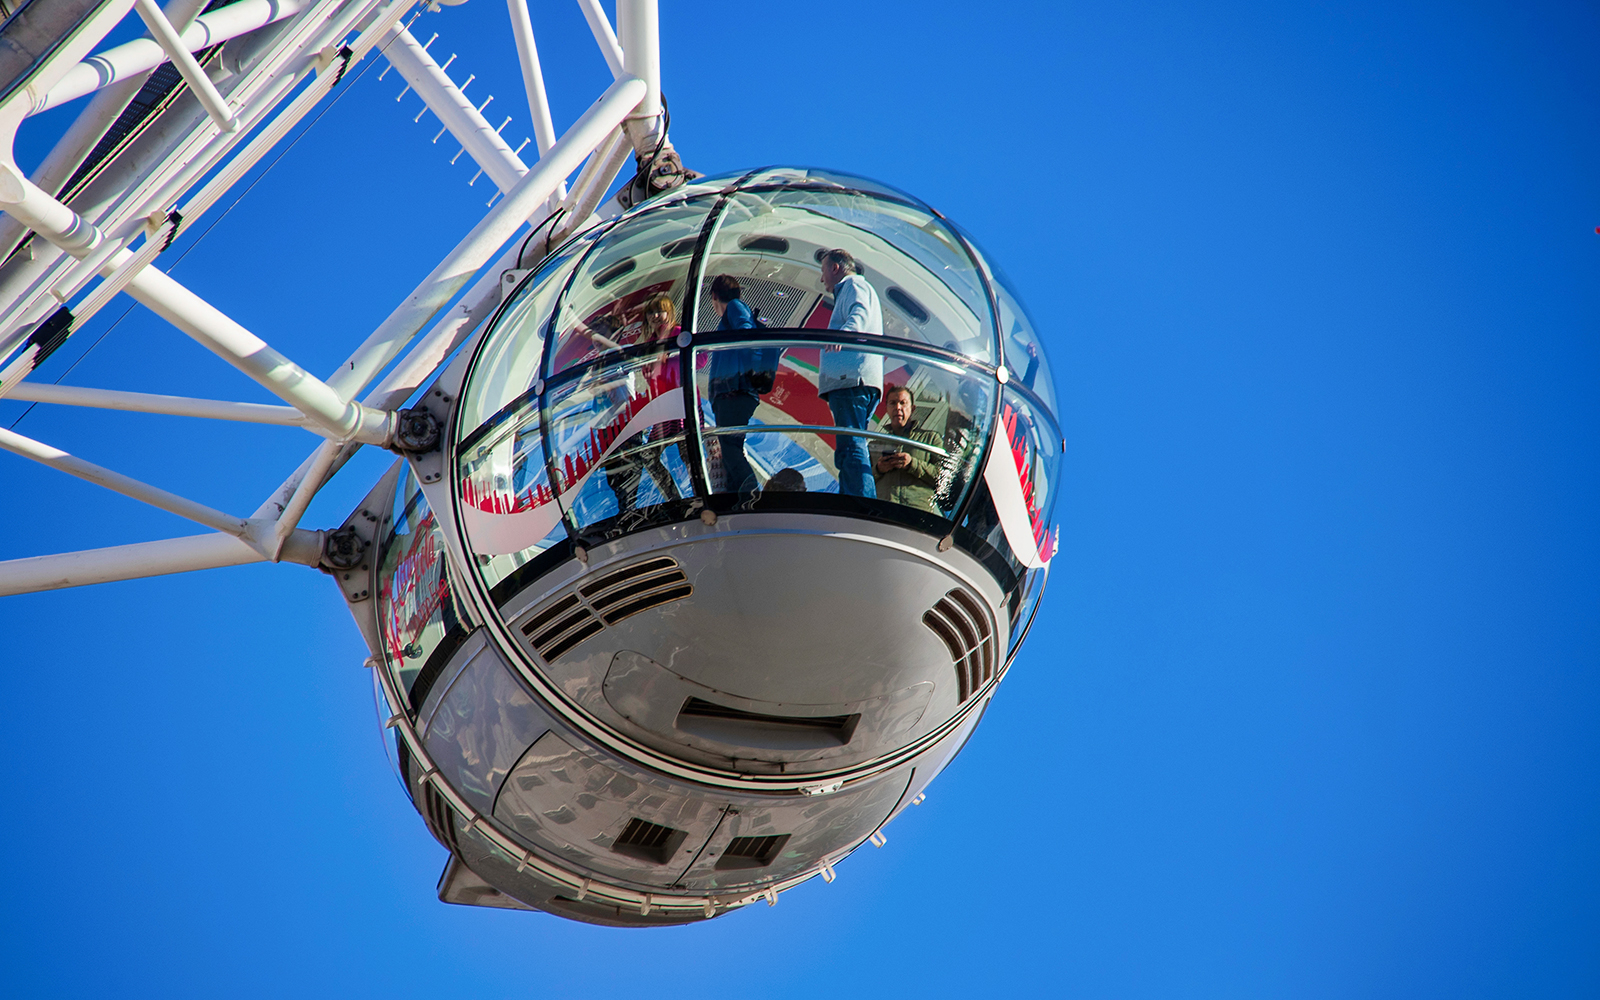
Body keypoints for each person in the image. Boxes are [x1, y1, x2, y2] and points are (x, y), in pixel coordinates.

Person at [600, 294, 685, 518]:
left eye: (660, 311)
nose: (656, 316)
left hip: (679, 403)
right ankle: (675, 499)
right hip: (662, 408)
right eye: (651, 312)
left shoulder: (678, 333)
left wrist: (673, 351)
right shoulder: (648, 344)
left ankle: (695, 496)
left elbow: (701, 359)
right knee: (650, 455)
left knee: (687, 452)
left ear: (670, 313)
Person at [817, 248, 883, 498]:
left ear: (835, 268)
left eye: (823, 270)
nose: (822, 278)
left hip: (851, 382)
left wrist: (841, 336)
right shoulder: (851, 289)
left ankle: (862, 502)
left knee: (852, 445)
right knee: (847, 447)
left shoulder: (855, 285)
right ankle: (851, 498)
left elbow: (859, 315)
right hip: (850, 381)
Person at [706, 275, 779, 493]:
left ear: (715, 296)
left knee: (730, 449)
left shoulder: (735, 307)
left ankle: (751, 495)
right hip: (732, 393)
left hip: (734, 391)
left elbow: (747, 334)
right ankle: (736, 499)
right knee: (731, 449)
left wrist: (753, 372)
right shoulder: (733, 311)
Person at [870, 385, 944, 513]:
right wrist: (879, 469)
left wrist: (912, 464)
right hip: (884, 514)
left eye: (903, 403)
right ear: (887, 409)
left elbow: (943, 478)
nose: (897, 408)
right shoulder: (874, 445)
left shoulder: (931, 439)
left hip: (918, 515)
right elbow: (862, 481)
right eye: (892, 403)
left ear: (912, 408)